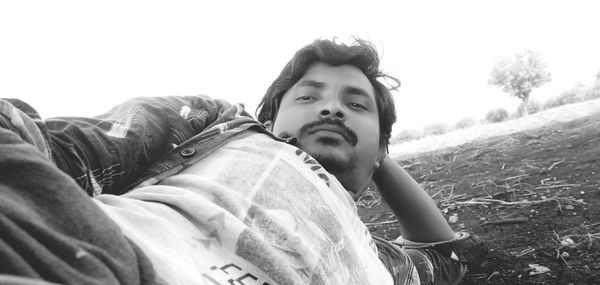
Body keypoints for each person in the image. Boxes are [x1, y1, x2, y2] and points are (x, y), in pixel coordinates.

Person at [0, 38, 487, 285]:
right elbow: (59, 148)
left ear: (382, 147)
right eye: (309, 97)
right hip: (99, 260)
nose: (332, 107)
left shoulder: (377, 259)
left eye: (356, 105)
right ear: (271, 119)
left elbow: (445, 254)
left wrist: (374, 154)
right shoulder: (221, 125)